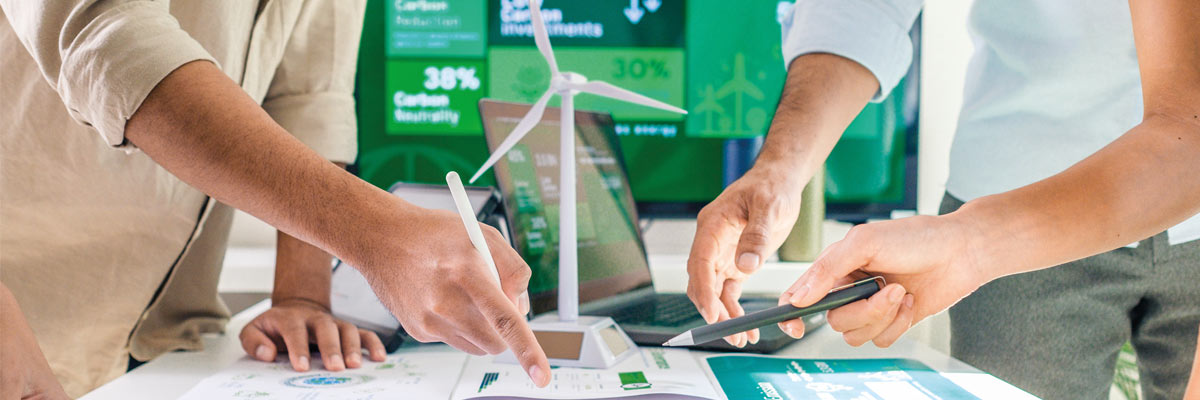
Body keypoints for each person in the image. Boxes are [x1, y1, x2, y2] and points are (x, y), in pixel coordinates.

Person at [0, 1, 550, 398]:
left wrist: (304, 296)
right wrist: (377, 231)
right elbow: (107, 34)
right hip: (28, 320)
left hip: (166, 338)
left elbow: (312, 96)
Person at [686, 0, 1200, 398]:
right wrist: (779, 171)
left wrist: (967, 245)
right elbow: (861, 8)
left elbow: (1188, 134)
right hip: (1017, 187)